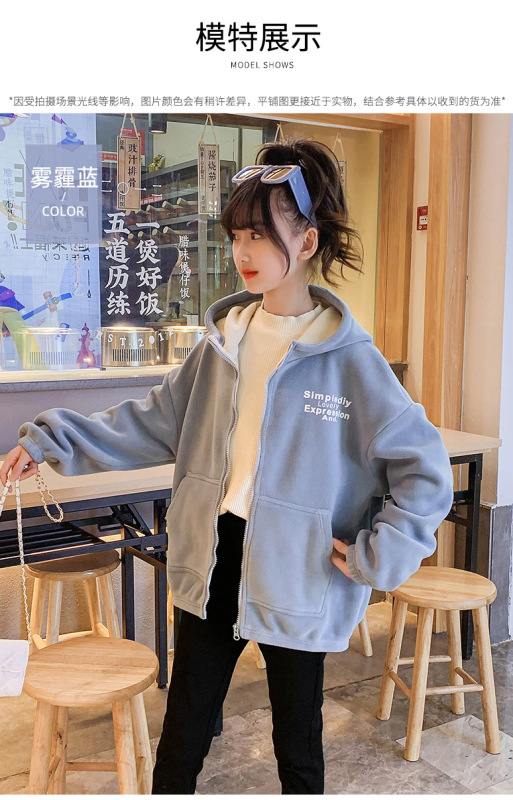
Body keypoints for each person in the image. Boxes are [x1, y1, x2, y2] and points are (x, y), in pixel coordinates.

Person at [0, 139, 455, 795]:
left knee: (297, 744)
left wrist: (377, 556)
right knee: (183, 734)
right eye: (237, 234)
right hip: (214, 555)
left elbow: (423, 468)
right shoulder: (223, 342)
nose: (243, 251)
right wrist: (50, 440)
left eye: (260, 233)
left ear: (306, 241)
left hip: (298, 567)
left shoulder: (351, 359)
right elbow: (151, 422)